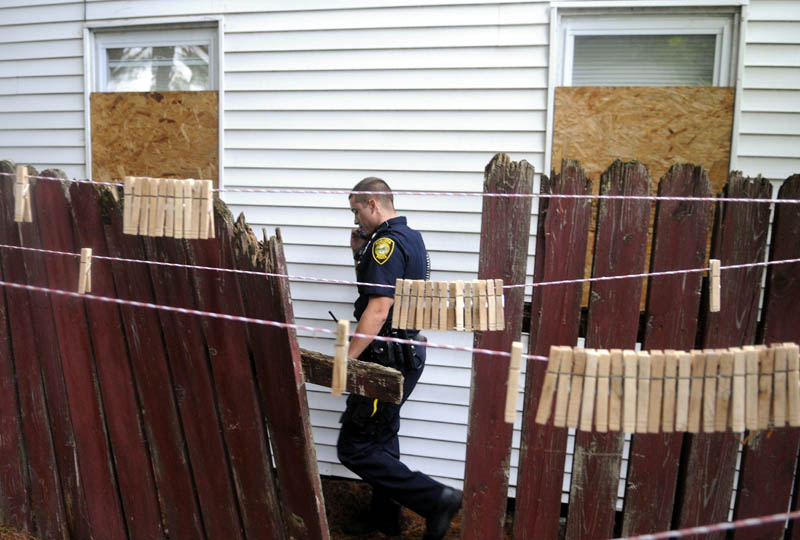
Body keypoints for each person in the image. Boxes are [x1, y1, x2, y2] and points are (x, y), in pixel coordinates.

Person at [337, 177, 462, 539]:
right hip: (406, 352)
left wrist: (348, 359)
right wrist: (358, 252)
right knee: (382, 440)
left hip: (385, 360)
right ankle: (385, 518)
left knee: (355, 448)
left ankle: (436, 499)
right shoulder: (412, 237)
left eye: (356, 211)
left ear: (373, 204)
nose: (355, 219)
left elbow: (379, 307)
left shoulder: (386, 244)